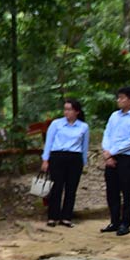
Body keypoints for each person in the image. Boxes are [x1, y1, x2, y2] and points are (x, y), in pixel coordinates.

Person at [40, 98, 89, 228]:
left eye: (69, 109)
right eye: (65, 109)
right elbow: (49, 142)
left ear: (76, 112)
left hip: (75, 158)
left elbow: (84, 146)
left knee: (71, 188)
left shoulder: (83, 126)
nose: (66, 112)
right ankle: (52, 216)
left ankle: (66, 217)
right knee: (56, 187)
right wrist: (45, 159)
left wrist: (83, 162)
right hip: (57, 156)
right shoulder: (56, 124)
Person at [101, 86, 130, 237]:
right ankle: (114, 221)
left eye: (122, 98)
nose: (118, 100)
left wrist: (113, 151)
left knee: (127, 191)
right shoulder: (114, 116)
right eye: (118, 97)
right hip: (110, 157)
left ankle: (126, 222)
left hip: (128, 157)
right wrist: (107, 154)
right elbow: (107, 134)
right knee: (112, 190)